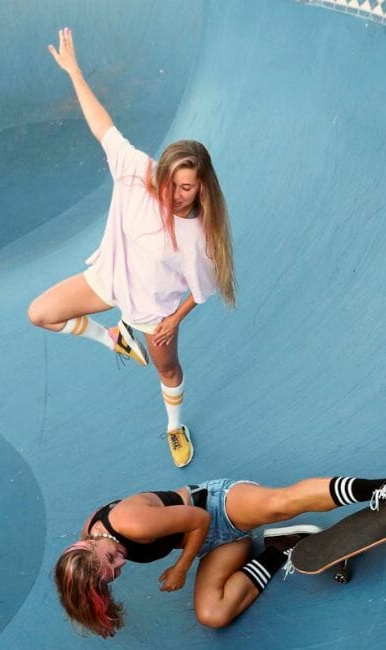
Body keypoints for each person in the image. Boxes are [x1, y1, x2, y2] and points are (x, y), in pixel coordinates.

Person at [27, 28, 237, 468]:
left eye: (187, 189)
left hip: (151, 312)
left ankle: (173, 425)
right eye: (173, 183)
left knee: (167, 371)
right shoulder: (135, 171)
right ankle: (114, 340)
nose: (177, 195)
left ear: (201, 191)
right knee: (40, 314)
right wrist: (75, 73)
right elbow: (102, 124)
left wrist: (171, 322)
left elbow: (202, 292)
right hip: (104, 281)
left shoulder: (198, 236)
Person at [53, 472, 386, 636]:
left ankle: (383, 488)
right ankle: (282, 547)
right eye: (112, 574)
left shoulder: (131, 525)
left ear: (89, 547)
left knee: (283, 502)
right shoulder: (94, 543)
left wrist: (182, 568)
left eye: (112, 561)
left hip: (217, 507)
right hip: (214, 545)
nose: (121, 564)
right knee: (212, 615)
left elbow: (199, 518)